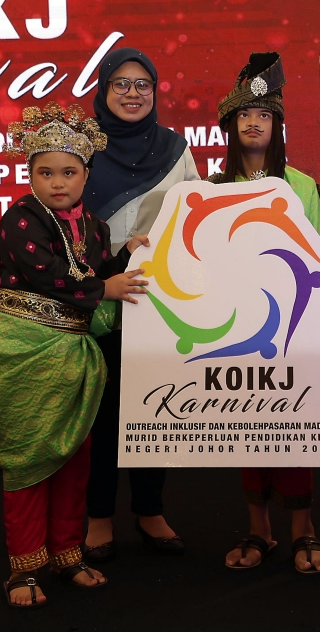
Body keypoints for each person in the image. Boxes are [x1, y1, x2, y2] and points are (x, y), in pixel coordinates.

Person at [0, 102, 149, 606]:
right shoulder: (20, 220)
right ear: (29, 174)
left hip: (72, 354)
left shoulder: (94, 227)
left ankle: (68, 554)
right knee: (30, 459)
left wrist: (127, 252)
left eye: (68, 172)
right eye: (45, 172)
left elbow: (93, 267)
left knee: (75, 456)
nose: (57, 182)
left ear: (86, 173)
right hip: (22, 350)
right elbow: (50, 276)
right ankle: (23, 569)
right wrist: (106, 286)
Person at [207, 52, 320, 574]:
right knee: (245, 432)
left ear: (277, 124)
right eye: (243, 114)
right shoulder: (208, 192)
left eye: (263, 114)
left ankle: (303, 531)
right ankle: (258, 531)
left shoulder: (301, 186)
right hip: (232, 330)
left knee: (293, 428)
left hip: (291, 328)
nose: (253, 121)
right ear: (229, 126)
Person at [81, 48, 199, 563]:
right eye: (121, 84)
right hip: (99, 297)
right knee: (103, 415)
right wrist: (107, 265)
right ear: (103, 90)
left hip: (159, 300)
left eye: (142, 84)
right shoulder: (82, 148)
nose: (133, 93)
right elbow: (60, 216)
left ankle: (150, 509)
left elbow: (196, 211)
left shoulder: (176, 148)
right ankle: (99, 514)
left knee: (157, 407)